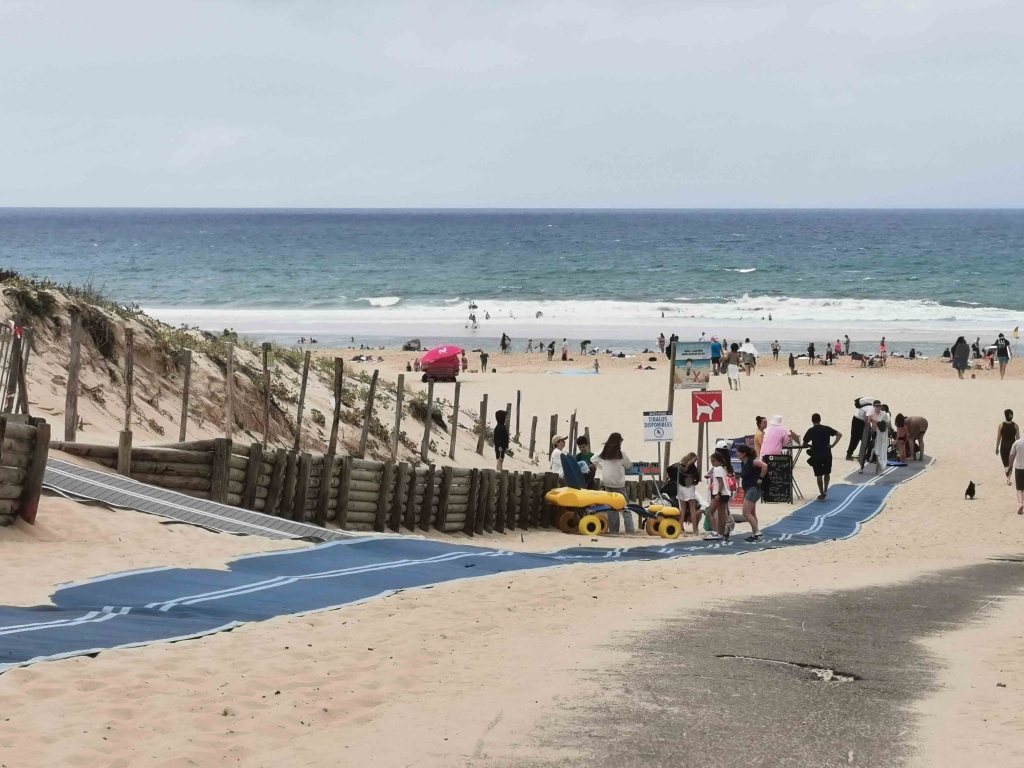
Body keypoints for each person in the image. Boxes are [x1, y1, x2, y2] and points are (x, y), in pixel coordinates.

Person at [592, 433, 634, 533]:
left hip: (607, 483)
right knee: (625, 507)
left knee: (611, 508)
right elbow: (629, 466)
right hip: (619, 484)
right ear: (618, 442)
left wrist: (601, 467)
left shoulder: (604, 453)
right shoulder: (621, 454)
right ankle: (630, 530)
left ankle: (614, 530)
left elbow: (592, 459)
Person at [802, 413, 842, 500]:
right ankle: (825, 490)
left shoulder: (811, 430)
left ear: (812, 421)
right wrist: (833, 445)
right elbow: (839, 434)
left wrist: (810, 445)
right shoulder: (826, 428)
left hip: (817, 455)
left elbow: (804, 443)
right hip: (827, 454)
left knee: (819, 475)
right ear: (820, 420)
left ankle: (821, 493)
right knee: (827, 473)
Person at [735, 445, 766, 541]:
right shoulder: (743, 463)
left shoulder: (752, 461)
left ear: (744, 453)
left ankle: (757, 532)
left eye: (738, 452)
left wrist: (760, 478)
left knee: (745, 513)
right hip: (748, 489)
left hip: (753, 489)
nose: (736, 454)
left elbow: (765, 466)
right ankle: (754, 533)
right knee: (752, 513)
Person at [704, 452, 734, 541]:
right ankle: (721, 533)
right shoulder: (722, 468)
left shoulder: (717, 469)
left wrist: (718, 494)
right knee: (721, 514)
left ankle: (715, 532)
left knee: (710, 512)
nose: (712, 463)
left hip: (719, 493)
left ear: (719, 461)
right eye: (711, 461)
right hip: (726, 493)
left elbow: (720, 482)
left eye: (713, 461)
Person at [670, 452, 702, 534]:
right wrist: (694, 482)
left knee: (682, 509)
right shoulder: (692, 467)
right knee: (692, 509)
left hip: (680, 488)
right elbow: (697, 478)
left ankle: (680, 529)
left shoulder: (680, 465)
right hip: (689, 489)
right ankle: (695, 530)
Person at [860, 401, 890, 475]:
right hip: (872, 433)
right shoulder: (870, 413)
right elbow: (867, 423)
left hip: (880, 434)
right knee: (865, 448)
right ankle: (861, 467)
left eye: (879, 406)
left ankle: (878, 470)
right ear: (873, 406)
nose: (878, 407)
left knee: (879, 451)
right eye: (876, 406)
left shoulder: (883, 414)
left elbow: (888, 424)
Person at [846, 396, 875, 460]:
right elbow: (866, 420)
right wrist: (871, 429)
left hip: (858, 420)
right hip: (858, 421)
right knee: (855, 438)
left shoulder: (871, 408)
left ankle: (860, 455)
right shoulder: (870, 409)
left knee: (865, 438)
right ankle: (849, 455)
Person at [1006, 434, 1024, 515]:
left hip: (1019, 468)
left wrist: (1010, 466)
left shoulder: (1017, 443)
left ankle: (1020, 504)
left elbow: (1011, 455)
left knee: (1019, 488)